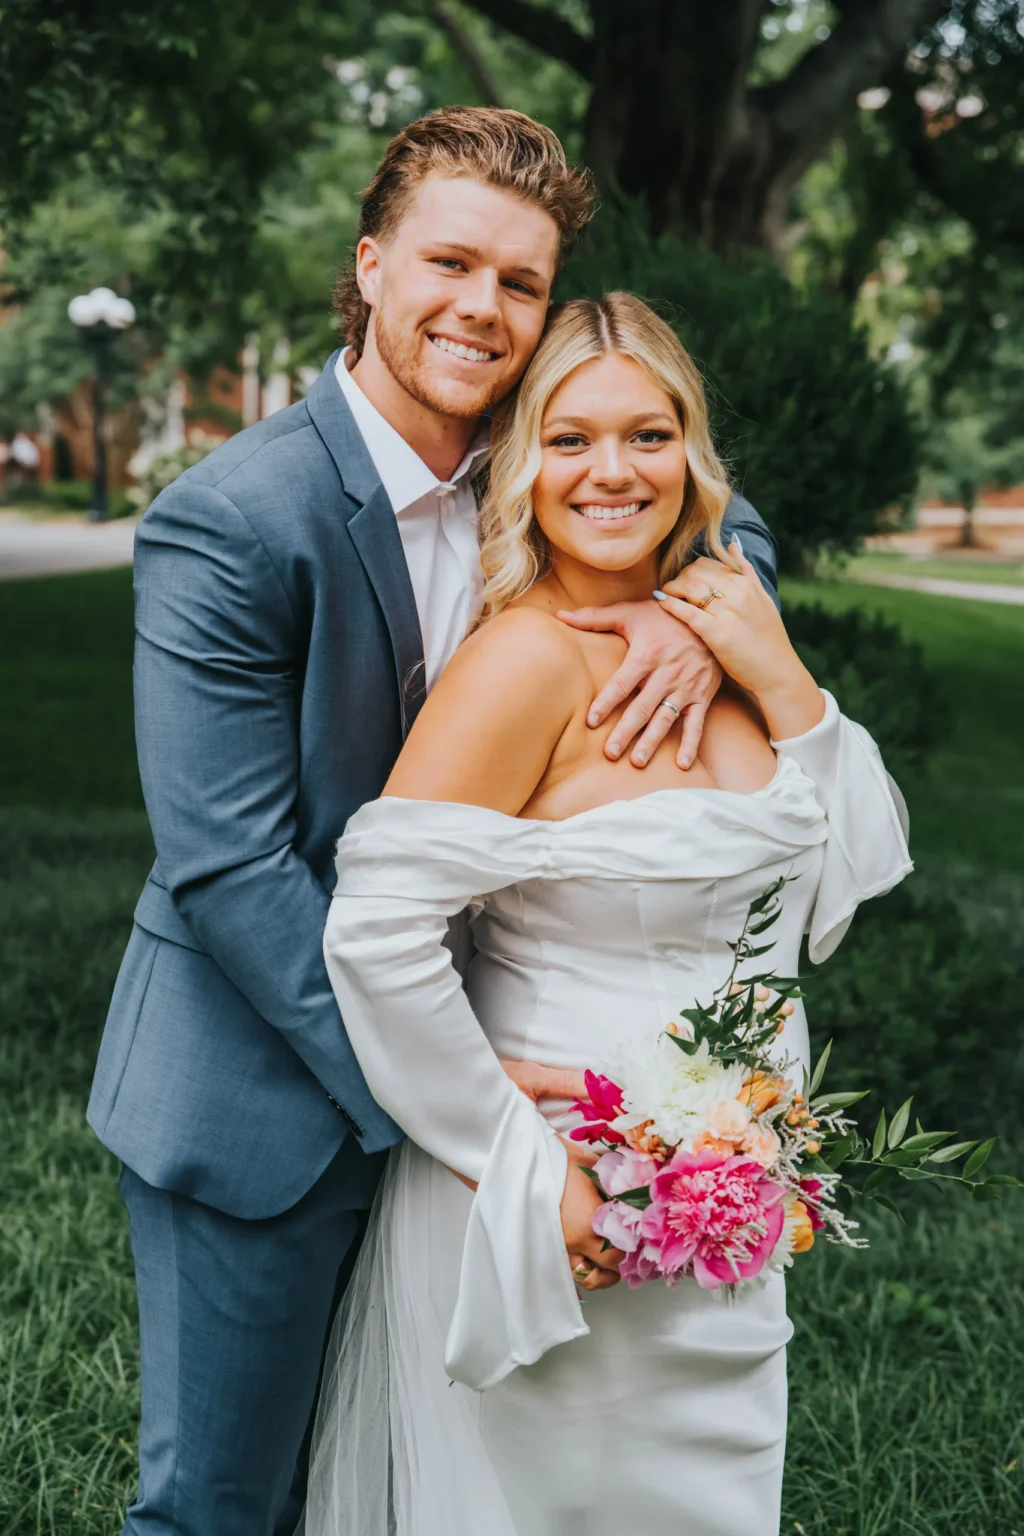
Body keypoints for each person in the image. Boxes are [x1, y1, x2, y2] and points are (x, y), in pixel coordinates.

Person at [87, 110, 780, 1536]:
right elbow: (231, 870)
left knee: (447, 1487)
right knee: (226, 1506)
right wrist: (443, 1097)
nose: (484, 307)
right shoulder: (234, 519)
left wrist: (693, 628)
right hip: (270, 1092)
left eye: (520, 283)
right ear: (371, 267)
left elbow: (726, 515)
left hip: (505, 1063)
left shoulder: (545, 455)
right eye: (450, 263)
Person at [312, 292, 913, 1536]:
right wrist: (517, 1158)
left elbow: (849, 877)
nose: (612, 472)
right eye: (571, 439)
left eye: (648, 435)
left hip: (731, 1202)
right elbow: (374, 932)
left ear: (694, 455)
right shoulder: (522, 660)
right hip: (555, 1195)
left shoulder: (725, 632)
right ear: (522, 465)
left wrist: (780, 669)